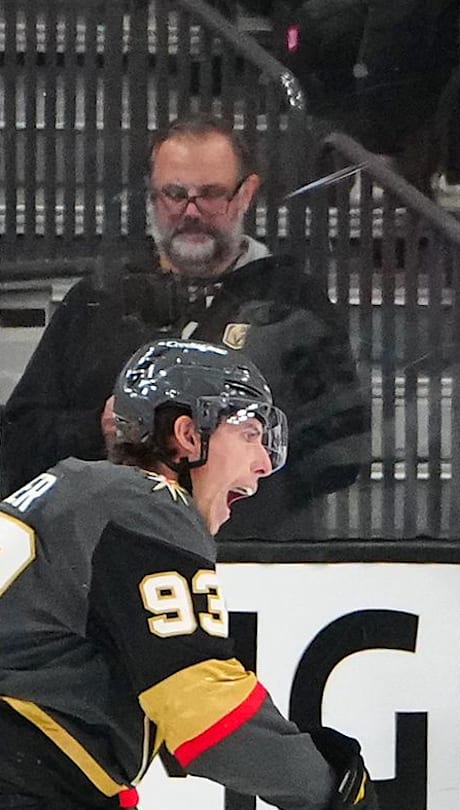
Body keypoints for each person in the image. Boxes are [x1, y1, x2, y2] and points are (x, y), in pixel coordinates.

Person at [0, 339, 379, 810]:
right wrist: (330, 792)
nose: (262, 463)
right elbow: (206, 716)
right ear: (187, 434)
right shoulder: (143, 509)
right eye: (248, 434)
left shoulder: (77, 489)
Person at [0, 114, 367, 540]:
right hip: (106, 565)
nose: (190, 212)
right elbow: (17, 441)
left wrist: (239, 450)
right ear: (152, 197)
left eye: (210, 195)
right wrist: (99, 429)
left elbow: (341, 457)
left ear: (246, 194)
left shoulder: (295, 306)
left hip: (255, 569)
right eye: (174, 194)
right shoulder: (98, 301)